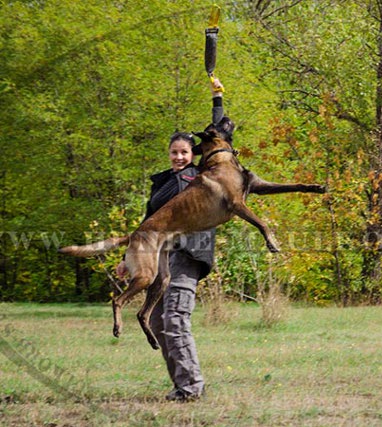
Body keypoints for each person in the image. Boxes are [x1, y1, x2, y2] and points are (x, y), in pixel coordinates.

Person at [116, 78, 225, 402]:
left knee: (175, 317)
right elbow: (148, 223)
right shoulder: (162, 182)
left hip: (188, 254)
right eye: (174, 152)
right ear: (169, 154)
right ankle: (183, 386)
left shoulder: (202, 177)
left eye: (184, 152)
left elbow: (219, 133)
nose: (178, 157)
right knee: (161, 322)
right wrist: (128, 259)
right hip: (157, 256)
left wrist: (217, 97)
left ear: (194, 154)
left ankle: (192, 387)